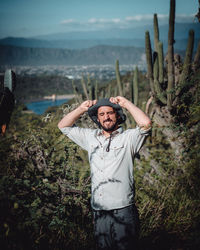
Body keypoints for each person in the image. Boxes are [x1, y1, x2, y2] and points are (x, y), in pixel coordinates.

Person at [58, 96, 151, 250]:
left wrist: (125, 103)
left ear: (118, 115)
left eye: (110, 113)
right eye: (101, 114)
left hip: (123, 209)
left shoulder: (129, 138)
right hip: (99, 210)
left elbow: (146, 124)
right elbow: (63, 126)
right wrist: (82, 108)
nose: (106, 117)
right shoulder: (90, 137)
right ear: (97, 119)